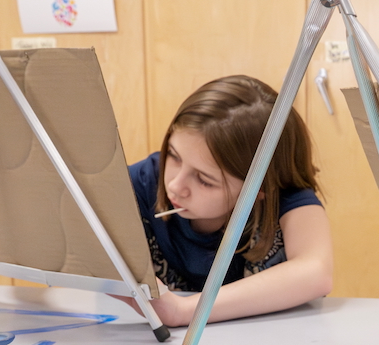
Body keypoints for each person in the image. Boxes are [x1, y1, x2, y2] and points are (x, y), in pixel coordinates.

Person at [121, 75, 333, 328]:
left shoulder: (285, 197)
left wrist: (183, 311)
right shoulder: (142, 181)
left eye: (204, 179)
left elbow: (315, 272)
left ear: (258, 189)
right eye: (174, 156)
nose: (175, 185)